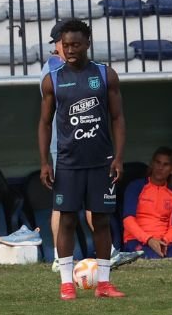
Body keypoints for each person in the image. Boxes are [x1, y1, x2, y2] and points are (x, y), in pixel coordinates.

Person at [38, 19, 127, 300]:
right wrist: (45, 161)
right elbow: (44, 123)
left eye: (76, 45)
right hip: (68, 163)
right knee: (67, 220)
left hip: (101, 161)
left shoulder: (105, 74)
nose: (70, 50)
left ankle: (104, 284)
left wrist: (118, 157)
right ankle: (66, 284)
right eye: (66, 46)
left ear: (87, 43)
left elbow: (117, 117)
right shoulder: (53, 79)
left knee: (101, 220)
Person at [121, 147, 172, 258]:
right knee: (152, 259)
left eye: (165, 164)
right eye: (158, 162)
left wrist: (164, 241)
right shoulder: (135, 187)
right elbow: (128, 220)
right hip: (136, 240)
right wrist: (149, 240)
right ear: (151, 164)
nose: (160, 167)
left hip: (164, 242)